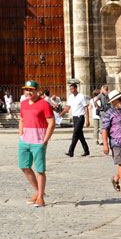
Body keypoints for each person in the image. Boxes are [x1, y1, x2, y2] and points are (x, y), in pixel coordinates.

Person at [16, 79, 55, 207]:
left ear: (37, 91)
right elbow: (21, 120)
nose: (28, 92)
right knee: (24, 166)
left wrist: (45, 140)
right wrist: (20, 135)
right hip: (25, 140)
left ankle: (40, 197)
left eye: (31, 90)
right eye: (26, 90)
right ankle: (38, 192)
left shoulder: (44, 104)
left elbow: (51, 122)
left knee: (40, 170)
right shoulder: (24, 103)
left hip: (39, 141)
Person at [61, 83, 90, 158]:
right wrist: (61, 114)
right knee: (80, 135)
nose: (71, 90)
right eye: (70, 89)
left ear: (76, 88)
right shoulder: (70, 97)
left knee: (75, 134)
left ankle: (71, 151)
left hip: (80, 117)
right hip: (74, 117)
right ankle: (86, 150)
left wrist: (87, 119)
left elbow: (86, 108)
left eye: (72, 89)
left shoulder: (81, 96)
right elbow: (68, 107)